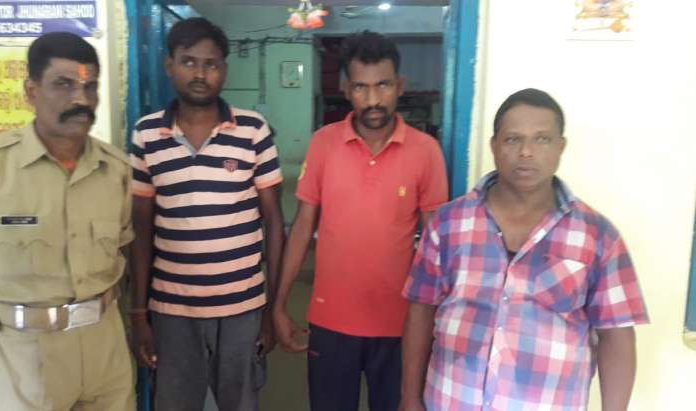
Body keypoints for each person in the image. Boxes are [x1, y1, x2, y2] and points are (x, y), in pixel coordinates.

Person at [400, 88, 649, 411]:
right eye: (512, 139)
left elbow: (616, 336)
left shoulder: (598, 237)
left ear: (561, 147)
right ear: (494, 145)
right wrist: (409, 398)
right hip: (450, 401)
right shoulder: (448, 223)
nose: (526, 152)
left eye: (542, 139)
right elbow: (421, 312)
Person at [273, 31, 449, 411]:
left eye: (382, 85)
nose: (372, 100)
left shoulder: (426, 152)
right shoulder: (323, 143)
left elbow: (438, 244)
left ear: (399, 85)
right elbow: (302, 226)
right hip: (331, 322)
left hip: (402, 325)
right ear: (345, 89)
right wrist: (280, 303)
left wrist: (437, 318)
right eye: (360, 87)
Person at [0, 32, 135, 410]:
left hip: (104, 346)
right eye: (64, 84)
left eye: (90, 87)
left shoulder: (116, 170)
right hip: (23, 354)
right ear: (31, 91)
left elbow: (122, 251)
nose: (81, 99)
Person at [129, 17, 285, 411]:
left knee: (240, 403)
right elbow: (141, 232)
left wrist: (273, 308)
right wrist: (139, 313)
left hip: (242, 308)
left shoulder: (253, 130)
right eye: (189, 62)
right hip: (172, 310)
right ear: (170, 65)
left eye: (211, 64)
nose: (200, 74)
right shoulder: (146, 135)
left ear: (224, 70)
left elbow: (274, 224)